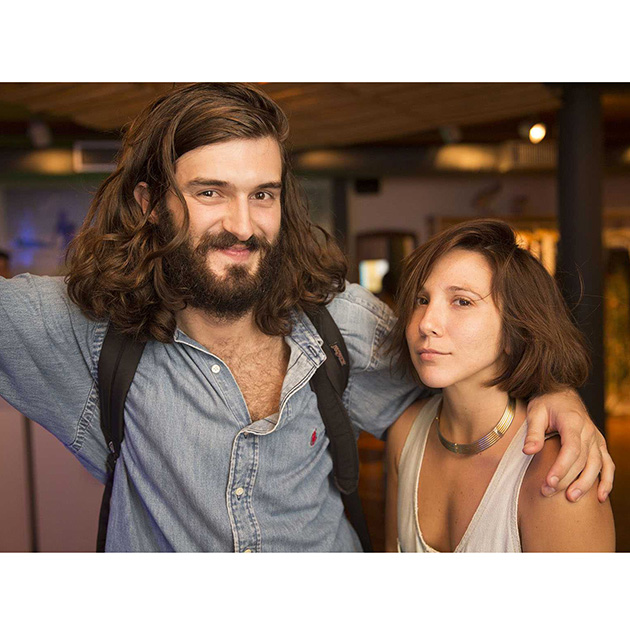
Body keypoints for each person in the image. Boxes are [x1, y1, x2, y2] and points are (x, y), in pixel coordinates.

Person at [0, 83, 613, 552]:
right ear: (150, 204)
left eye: (262, 195)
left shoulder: (338, 321)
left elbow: (462, 380)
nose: (243, 225)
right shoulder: (85, 331)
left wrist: (555, 395)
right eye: (210, 192)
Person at [385, 219, 615, 552]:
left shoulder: (558, 473)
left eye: (462, 301)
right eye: (421, 300)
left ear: (515, 329)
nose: (426, 323)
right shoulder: (405, 433)